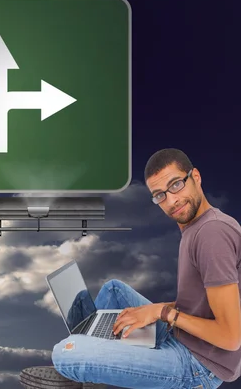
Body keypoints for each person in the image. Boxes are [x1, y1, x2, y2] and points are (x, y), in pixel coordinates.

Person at [51, 148, 241, 388]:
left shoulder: (211, 234)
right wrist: (159, 309)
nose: (171, 200)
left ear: (196, 177)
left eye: (176, 185)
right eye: (160, 195)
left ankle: (88, 356)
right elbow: (204, 305)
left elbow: (231, 337)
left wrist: (162, 312)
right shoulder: (197, 225)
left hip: (197, 366)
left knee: (64, 353)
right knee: (114, 290)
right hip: (184, 337)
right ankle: (97, 350)